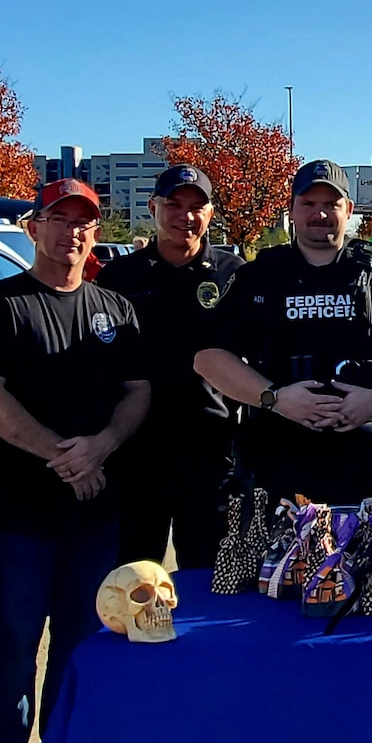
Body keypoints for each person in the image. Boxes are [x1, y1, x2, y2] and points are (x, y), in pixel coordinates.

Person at [0, 178, 149, 743]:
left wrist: (104, 444)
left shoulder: (115, 309)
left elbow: (138, 391)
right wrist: (65, 456)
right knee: (13, 645)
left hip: (94, 515)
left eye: (84, 222)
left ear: (96, 233)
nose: (72, 232)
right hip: (18, 516)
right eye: (59, 220)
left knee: (81, 642)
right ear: (34, 227)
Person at [194, 160, 372, 505]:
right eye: (309, 204)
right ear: (291, 210)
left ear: (350, 210)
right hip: (277, 465)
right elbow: (208, 358)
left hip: (364, 466)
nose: (320, 214)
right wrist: (275, 398)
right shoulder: (260, 276)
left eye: (331, 204)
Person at [95, 164, 246, 567]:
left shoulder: (235, 276)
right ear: (153, 208)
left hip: (210, 454)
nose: (186, 216)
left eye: (197, 206)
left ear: (211, 213)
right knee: (133, 581)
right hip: (136, 457)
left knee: (208, 582)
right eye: (174, 205)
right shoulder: (119, 278)